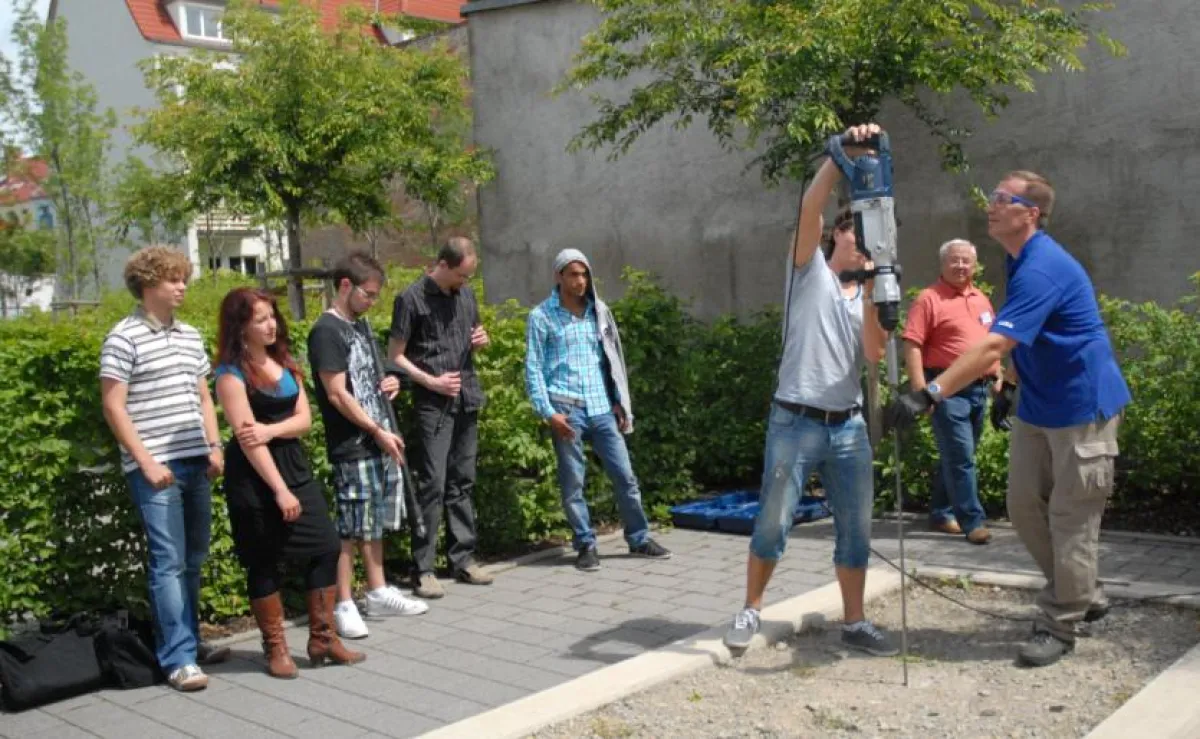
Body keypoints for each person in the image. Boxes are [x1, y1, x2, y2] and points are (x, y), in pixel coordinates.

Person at [888, 170, 1131, 667]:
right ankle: (1084, 589)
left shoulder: (1043, 266)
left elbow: (996, 343)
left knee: (1071, 520)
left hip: (1083, 407)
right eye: (993, 197)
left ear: (1030, 214)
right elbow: (1030, 337)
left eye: (1004, 199)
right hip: (1039, 405)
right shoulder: (1016, 259)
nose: (991, 204)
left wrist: (929, 393)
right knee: (1022, 508)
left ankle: (1060, 622)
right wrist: (1012, 386)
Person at [722, 123, 898, 657]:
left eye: (865, 232)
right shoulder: (810, 273)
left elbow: (872, 351)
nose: (858, 238)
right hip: (794, 420)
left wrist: (877, 285)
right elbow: (808, 210)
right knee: (774, 519)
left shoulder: (873, 289)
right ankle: (751, 608)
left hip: (847, 426)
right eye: (851, 230)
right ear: (835, 238)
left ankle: (855, 620)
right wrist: (841, 156)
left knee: (856, 529)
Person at [99, 246, 230, 692]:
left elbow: (204, 397)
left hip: (195, 458)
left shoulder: (191, 335)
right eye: (173, 279)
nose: (182, 287)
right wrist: (146, 462)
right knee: (168, 562)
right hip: (155, 467)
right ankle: (177, 658)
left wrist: (214, 446)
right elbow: (114, 407)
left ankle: (189, 643)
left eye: (183, 279)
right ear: (148, 284)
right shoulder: (123, 337)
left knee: (192, 559)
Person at [214, 287, 364, 677]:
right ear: (240, 326)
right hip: (255, 477)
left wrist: (270, 430)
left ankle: (323, 637)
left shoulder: (287, 362)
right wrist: (278, 489)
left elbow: (305, 421)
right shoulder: (230, 375)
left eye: (272, 316)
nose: (270, 324)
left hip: (295, 466)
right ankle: (275, 648)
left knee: (326, 546)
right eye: (260, 318)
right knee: (263, 559)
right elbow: (248, 442)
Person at [524, 248, 672, 571]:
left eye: (585, 274)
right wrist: (548, 412)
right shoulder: (542, 317)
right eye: (574, 274)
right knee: (573, 482)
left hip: (602, 406)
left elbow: (612, 359)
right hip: (566, 408)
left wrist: (620, 400)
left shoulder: (598, 312)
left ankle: (639, 537)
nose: (580, 281)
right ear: (559, 276)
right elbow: (533, 369)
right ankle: (586, 545)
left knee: (625, 476)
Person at [307, 252, 428, 640]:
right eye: (369, 294)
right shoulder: (326, 331)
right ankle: (343, 602)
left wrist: (390, 382)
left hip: (376, 434)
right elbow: (338, 394)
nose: (373, 302)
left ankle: (377, 590)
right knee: (351, 524)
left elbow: (368, 377)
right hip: (354, 442)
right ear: (346, 286)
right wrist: (375, 430)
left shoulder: (359, 326)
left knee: (373, 520)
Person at [388, 237, 494, 599]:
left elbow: (475, 334)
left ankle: (462, 559)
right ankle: (424, 568)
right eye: (462, 276)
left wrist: (481, 339)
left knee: (462, 480)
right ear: (444, 265)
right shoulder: (411, 299)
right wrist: (431, 380)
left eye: (469, 277)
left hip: (467, 396)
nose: (465, 283)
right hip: (433, 404)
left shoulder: (465, 295)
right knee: (433, 482)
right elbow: (396, 356)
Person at [901, 239, 1002, 544]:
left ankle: (941, 513)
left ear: (975, 265)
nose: (961, 266)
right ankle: (973, 523)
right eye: (954, 261)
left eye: (966, 261)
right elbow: (912, 344)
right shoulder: (929, 299)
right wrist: (921, 391)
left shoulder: (982, 299)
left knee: (959, 455)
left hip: (979, 391)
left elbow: (991, 341)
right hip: (946, 391)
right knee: (961, 457)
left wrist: (997, 373)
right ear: (942, 264)